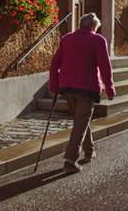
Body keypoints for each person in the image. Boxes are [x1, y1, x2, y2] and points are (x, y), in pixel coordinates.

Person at [48, 13, 115, 173]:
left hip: (67, 87)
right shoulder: (98, 40)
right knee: (81, 123)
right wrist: (109, 88)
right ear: (94, 27)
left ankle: (89, 151)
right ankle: (70, 160)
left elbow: (54, 64)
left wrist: (54, 85)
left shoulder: (67, 39)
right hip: (87, 88)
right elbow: (105, 66)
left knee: (81, 121)